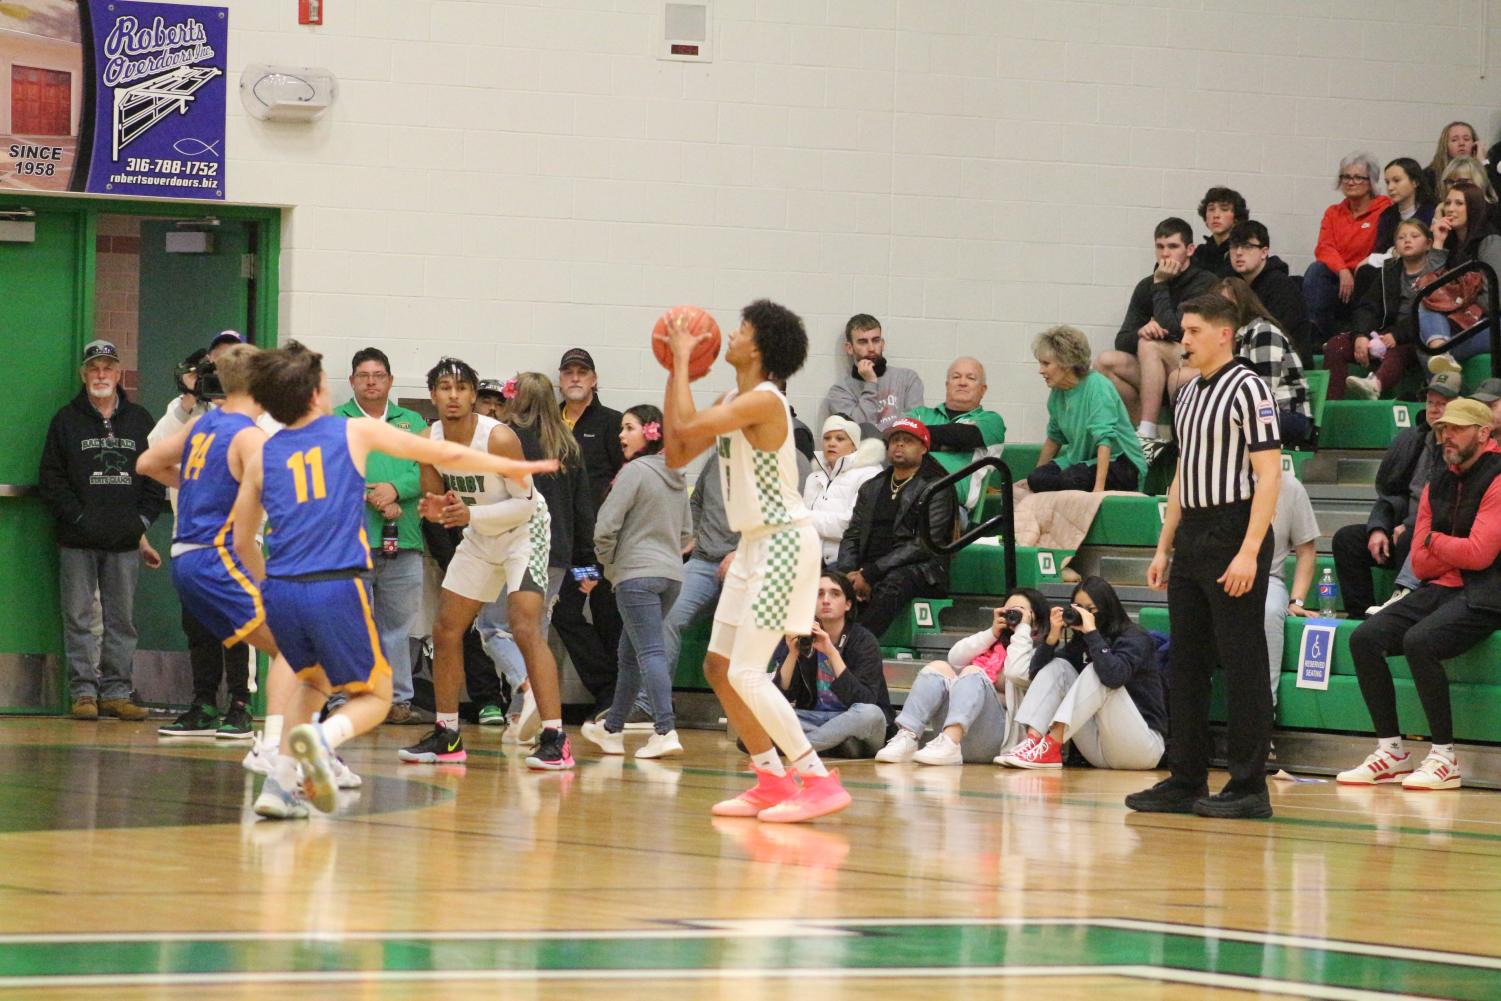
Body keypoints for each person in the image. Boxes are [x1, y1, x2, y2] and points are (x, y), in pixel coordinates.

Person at [230, 343, 554, 818]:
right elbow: (433, 449)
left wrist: (266, 587)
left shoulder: (261, 454)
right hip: (334, 583)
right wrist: (514, 466)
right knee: (376, 697)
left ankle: (279, 786)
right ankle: (319, 742)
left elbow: (241, 541)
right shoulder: (353, 431)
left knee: (311, 682)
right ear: (319, 392)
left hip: (280, 586)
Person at [663, 297, 852, 823]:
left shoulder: (765, 401)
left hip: (786, 543)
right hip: (751, 545)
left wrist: (679, 361)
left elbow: (682, 424)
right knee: (718, 667)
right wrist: (672, 367)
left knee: (747, 671)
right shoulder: (733, 396)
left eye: (742, 327)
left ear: (760, 346)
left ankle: (816, 780)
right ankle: (770, 778)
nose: (732, 333)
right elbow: (677, 448)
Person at [1125, 292, 1282, 820]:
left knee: (1242, 664)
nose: (1183, 340)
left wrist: (1249, 552)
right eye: (1182, 331)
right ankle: (1185, 778)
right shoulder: (1188, 392)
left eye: (1192, 331)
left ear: (1223, 333)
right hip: (1193, 533)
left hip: (1234, 529)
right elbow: (1181, 476)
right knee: (1187, 664)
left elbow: (1269, 475)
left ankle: (1248, 786)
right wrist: (1164, 546)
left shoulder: (1249, 387)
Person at [397, 358, 570, 771]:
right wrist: (436, 509)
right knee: (446, 628)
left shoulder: (499, 439)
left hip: (525, 531)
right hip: (480, 535)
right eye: (444, 387)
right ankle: (448, 733)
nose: (453, 395)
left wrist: (468, 516)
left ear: (474, 395)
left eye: (461, 388)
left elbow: (525, 503)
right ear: (433, 396)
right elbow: (438, 502)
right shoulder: (429, 441)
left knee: (525, 625)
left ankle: (556, 737)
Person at [1335, 398, 1501, 792]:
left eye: (1457, 429)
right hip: (1442, 587)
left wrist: (1434, 542)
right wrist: (1442, 550)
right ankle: (1391, 751)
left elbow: (1480, 555)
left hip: (1489, 593)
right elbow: (1419, 561)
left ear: (1483, 433)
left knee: (1419, 642)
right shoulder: (1436, 482)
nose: (1446, 436)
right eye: (1443, 429)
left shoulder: (1498, 477)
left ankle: (1444, 757)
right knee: (1364, 638)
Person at [38, 339, 166, 722]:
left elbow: (156, 475)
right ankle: (83, 694)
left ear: (118, 373)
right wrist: (78, 518)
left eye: (108, 367)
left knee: (121, 620)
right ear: (84, 374)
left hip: (125, 542)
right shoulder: (65, 420)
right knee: (78, 617)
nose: (101, 375)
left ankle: (115, 692)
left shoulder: (141, 420)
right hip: (76, 540)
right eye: (94, 368)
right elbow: (51, 478)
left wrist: (141, 522)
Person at [475, 373, 592, 734]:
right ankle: (521, 718)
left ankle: (528, 690)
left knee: (492, 628)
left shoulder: (508, 440)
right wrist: (585, 564)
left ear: (517, 399)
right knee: (535, 636)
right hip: (557, 553)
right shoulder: (568, 446)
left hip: (514, 548)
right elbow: (583, 510)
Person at [150, 344, 253, 738]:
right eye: (202, 372)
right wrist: (188, 402)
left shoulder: (242, 415)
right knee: (198, 625)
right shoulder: (183, 413)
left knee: (237, 622)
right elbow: (152, 455)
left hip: (233, 534)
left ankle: (240, 704)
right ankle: (203, 702)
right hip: (191, 536)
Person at [579, 404, 693, 758]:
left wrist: (609, 566)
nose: (620, 434)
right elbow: (687, 533)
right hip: (672, 576)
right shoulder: (677, 474)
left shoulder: (633, 472)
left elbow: (605, 527)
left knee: (649, 651)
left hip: (636, 576)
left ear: (649, 432)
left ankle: (665, 729)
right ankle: (612, 728)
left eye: (628, 427)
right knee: (628, 653)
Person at [331, 347, 427, 725]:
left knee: (397, 628)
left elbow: (428, 469)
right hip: (349, 542)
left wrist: (395, 489)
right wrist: (372, 493)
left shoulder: (413, 421)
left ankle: (398, 700)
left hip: (402, 540)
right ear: (352, 381)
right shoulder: (336, 420)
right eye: (363, 375)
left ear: (390, 380)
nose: (371, 381)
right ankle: (345, 699)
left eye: (378, 375)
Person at [999, 576, 1167, 770]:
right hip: (1099, 750)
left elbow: (1113, 677)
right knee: (1058, 666)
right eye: (1078, 607)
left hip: (1142, 747)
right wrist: (1052, 638)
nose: (1083, 614)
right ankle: (1033, 741)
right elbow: (1036, 673)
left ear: (1106, 608)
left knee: (1097, 670)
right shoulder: (1080, 643)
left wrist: (1092, 633)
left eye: (1090, 609)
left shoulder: (1135, 637)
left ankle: (1051, 745)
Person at [877, 587, 1048, 766]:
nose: (1014, 616)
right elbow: (955, 657)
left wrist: (1023, 630)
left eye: (1021, 612)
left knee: (972, 672)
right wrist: (992, 632)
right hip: (960, 738)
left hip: (998, 741)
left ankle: (951, 741)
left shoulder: (1038, 655)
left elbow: (1016, 672)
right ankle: (908, 736)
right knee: (938, 667)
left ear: (1036, 619)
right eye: (1009, 611)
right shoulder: (991, 643)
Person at [1093, 217, 1217, 456]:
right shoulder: (1145, 286)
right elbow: (1123, 339)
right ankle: (1143, 436)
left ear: (1189, 249)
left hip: (1196, 363)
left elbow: (1181, 332)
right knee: (1105, 362)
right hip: (1156, 372)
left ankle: (1147, 430)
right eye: (1160, 247)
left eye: (1172, 247)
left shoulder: (1205, 282)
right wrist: (1142, 330)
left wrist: (1161, 285)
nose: (1165, 254)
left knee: (1150, 345)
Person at [1332, 376, 1452, 620]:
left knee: (1409, 538)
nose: (1434, 409)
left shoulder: (1459, 448)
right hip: (1401, 527)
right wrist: (1378, 527)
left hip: (1435, 533)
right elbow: (1390, 491)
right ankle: (1361, 617)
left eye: (1442, 403)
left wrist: (1410, 525)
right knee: (1347, 539)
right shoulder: (1412, 440)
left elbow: (1449, 501)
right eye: (1430, 403)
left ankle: (1399, 615)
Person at [835, 417, 956, 641]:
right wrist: (848, 574)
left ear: (923, 449)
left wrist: (871, 573)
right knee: (828, 581)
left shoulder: (936, 486)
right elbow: (853, 534)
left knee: (894, 582)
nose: (899, 445)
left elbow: (924, 544)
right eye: (895, 440)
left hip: (920, 571)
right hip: (868, 569)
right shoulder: (872, 486)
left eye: (908, 441)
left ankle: (853, 646)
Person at [553, 348, 626, 717]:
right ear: (560, 379)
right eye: (569, 372)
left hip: (599, 548)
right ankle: (607, 685)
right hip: (560, 544)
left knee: (606, 613)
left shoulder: (612, 423)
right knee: (563, 612)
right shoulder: (549, 423)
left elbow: (626, 478)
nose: (576, 378)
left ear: (594, 380)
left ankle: (615, 696)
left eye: (583, 372)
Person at [769, 571, 891, 759]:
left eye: (835, 594)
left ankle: (801, 748)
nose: (826, 600)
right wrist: (792, 653)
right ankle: (834, 745)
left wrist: (831, 652)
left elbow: (865, 700)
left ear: (848, 604)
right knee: (762, 714)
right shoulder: (802, 636)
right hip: (814, 718)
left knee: (870, 713)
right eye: (819, 594)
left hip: (857, 721)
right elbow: (782, 696)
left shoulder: (864, 640)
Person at [1326, 219, 1442, 400]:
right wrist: (1361, 335)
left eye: (1414, 236)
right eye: (1401, 237)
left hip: (1413, 338)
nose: (1407, 241)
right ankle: (1331, 403)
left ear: (1428, 244)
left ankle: (1376, 384)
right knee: (1336, 345)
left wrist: (1397, 335)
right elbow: (1367, 307)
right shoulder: (1387, 272)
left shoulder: (1436, 273)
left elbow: (1430, 314)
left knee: (1400, 350)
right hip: (1380, 335)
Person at [1028, 325, 1144, 493]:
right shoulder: (1057, 392)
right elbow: (1054, 437)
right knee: (1037, 479)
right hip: (1081, 461)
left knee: (1073, 479)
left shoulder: (1097, 386)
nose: (1041, 370)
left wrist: (1098, 489)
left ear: (1066, 363)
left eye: (1046, 364)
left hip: (1120, 462)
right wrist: (1035, 475)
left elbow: (1105, 441)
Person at [1303, 152, 1392, 344]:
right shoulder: (1333, 212)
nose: (1351, 182)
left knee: (1370, 272)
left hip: (1368, 278)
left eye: (1358, 177)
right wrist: (1343, 270)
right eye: (1346, 177)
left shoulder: (1385, 210)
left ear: (1371, 182)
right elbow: (1324, 247)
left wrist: (1354, 270)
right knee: (1316, 270)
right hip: (1339, 277)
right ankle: (1316, 338)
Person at [906, 356, 1006, 517]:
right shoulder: (920, 413)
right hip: (905, 496)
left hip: (951, 508)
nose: (962, 382)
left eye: (971, 378)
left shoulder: (991, 420)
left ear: (983, 389)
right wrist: (949, 444)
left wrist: (919, 440)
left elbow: (964, 436)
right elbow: (896, 438)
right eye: (956, 377)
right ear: (947, 385)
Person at [1423, 181, 1501, 376]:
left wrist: (1455, 306)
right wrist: (1438, 244)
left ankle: (1441, 391)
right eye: (1447, 203)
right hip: (1459, 321)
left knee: (1428, 349)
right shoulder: (1450, 243)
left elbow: (1495, 294)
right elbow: (1428, 289)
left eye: (1459, 203)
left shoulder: (1490, 241)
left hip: (1490, 321)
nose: (1450, 209)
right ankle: (1441, 351)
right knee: (1424, 305)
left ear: (1473, 208)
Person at [818, 313, 924, 435]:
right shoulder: (840, 392)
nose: (871, 348)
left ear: (882, 344)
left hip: (898, 452)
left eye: (876, 340)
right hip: (862, 453)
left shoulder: (907, 379)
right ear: (849, 348)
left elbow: (914, 426)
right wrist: (871, 383)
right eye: (863, 342)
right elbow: (858, 432)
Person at [1265, 472, 1319, 705]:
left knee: (1267, 611)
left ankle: (1267, 709)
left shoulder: (1290, 486)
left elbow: (1306, 549)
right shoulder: (1221, 478)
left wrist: (1297, 600)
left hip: (1268, 579)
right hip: (1218, 575)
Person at [804, 415, 885, 564]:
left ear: (854, 445)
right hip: (808, 560)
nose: (831, 443)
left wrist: (802, 517)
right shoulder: (813, 477)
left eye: (840, 439)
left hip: (844, 562)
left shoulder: (869, 474)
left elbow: (850, 525)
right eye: (827, 438)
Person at [1225, 220, 1311, 362]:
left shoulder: (1282, 286)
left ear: (1264, 252)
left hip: (1284, 363)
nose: (1238, 252)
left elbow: (1276, 336)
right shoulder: (1231, 283)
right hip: (1247, 357)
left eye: (1247, 246)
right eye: (1234, 246)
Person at [1371, 157, 1438, 257]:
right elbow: (1380, 251)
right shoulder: (1387, 216)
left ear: (1415, 182)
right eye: (1387, 182)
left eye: (1396, 180)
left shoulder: (1431, 212)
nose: (1390, 188)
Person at [1195, 186, 1248, 277]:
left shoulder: (1242, 252)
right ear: (1205, 218)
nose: (1216, 215)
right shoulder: (1200, 252)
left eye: (1224, 209)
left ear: (1236, 217)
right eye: (1211, 209)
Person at [1425, 121, 1480, 191]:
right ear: (1445, 145)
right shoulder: (1430, 175)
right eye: (1454, 140)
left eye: (1466, 139)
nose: (1461, 143)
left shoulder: (1482, 168)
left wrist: (1483, 163)